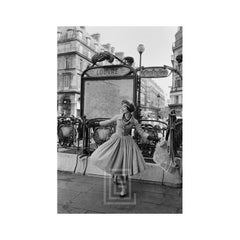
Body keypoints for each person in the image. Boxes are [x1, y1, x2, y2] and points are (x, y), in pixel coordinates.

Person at [87, 100, 159, 197]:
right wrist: (95, 123)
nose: (122, 108)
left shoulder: (134, 121)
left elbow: (141, 132)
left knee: (124, 165)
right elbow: (108, 122)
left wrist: (152, 137)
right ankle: (116, 175)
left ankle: (124, 189)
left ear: (129, 109)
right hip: (116, 140)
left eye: (124, 107)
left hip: (127, 143)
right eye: (122, 106)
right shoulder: (118, 117)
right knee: (108, 158)